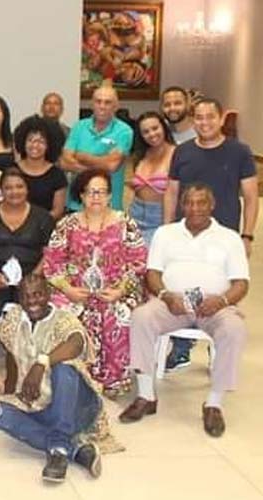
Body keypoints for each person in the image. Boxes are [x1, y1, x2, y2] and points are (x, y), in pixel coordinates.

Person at [120, 184, 249, 438]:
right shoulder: (165, 233)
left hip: (215, 303)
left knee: (234, 329)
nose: (195, 208)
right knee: (141, 316)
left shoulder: (229, 238)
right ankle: (146, 395)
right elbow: (152, 274)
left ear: (212, 206)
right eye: (189, 203)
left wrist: (222, 301)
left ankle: (214, 404)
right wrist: (165, 295)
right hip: (173, 300)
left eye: (201, 203)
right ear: (182, 205)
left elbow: (241, 283)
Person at [0, 274, 116, 484]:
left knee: (64, 368)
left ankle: (58, 446)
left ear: (49, 294)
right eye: (26, 296)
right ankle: (73, 450)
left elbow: (76, 343)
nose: (32, 301)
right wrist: (11, 391)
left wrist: (42, 364)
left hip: (76, 405)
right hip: (41, 405)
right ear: (19, 298)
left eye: (38, 294)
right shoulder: (13, 319)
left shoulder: (63, 319)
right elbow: (11, 352)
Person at [160, 98, 257, 370]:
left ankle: (219, 347)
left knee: (221, 293)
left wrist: (247, 236)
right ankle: (181, 348)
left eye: (210, 117)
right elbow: (172, 192)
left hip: (224, 238)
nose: (205, 123)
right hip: (185, 235)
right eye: (199, 118)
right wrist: (167, 230)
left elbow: (251, 196)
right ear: (193, 120)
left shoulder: (240, 152)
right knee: (182, 288)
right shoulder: (183, 152)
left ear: (221, 118)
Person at [42, 170, 147, 396]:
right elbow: (52, 263)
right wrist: (68, 289)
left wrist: (121, 290)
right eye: (90, 192)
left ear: (110, 195)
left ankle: (113, 380)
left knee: (119, 314)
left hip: (116, 290)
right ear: (81, 196)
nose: (95, 197)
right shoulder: (67, 224)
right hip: (74, 290)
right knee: (63, 311)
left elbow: (138, 262)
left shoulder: (125, 222)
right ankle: (71, 378)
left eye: (101, 192)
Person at [0, 167, 55, 372]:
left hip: (32, 275)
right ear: (1, 191)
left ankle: (26, 352)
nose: (14, 191)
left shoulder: (42, 217)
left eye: (19, 186)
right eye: (8, 188)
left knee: (34, 304)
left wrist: (34, 276)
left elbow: (51, 251)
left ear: (27, 189)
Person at [60, 86, 134, 212]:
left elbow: (111, 166)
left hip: (108, 205)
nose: (102, 106)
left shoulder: (124, 131)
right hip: (76, 204)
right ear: (91, 104)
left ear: (116, 106)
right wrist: (102, 161)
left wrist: (82, 156)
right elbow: (65, 162)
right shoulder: (79, 126)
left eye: (107, 102)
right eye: (98, 101)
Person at [130, 111, 176, 244]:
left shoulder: (177, 153)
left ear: (164, 127)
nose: (152, 134)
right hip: (135, 213)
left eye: (155, 128)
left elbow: (176, 193)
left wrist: (168, 227)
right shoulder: (141, 154)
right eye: (146, 132)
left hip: (160, 217)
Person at [13, 115, 67, 219]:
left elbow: (58, 210)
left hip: (45, 225)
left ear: (49, 145)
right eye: (30, 140)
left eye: (41, 142)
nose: (35, 145)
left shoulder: (57, 175)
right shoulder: (12, 170)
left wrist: (36, 223)